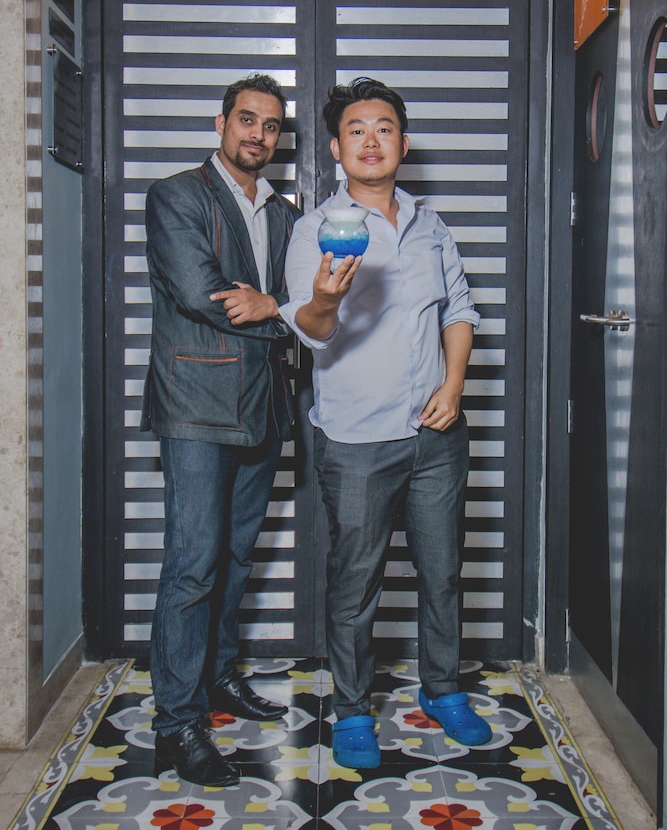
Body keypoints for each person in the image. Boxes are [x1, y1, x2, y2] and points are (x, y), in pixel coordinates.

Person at [279, 77, 492, 769]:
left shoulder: (430, 225)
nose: (371, 141)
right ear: (336, 149)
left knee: (442, 572)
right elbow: (311, 330)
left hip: (437, 433)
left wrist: (453, 386)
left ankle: (442, 688)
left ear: (402, 142)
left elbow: (458, 309)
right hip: (357, 438)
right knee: (355, 582)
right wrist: (323, 299)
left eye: (384, 128)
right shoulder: (314, 231)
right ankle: (350, 710)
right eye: (356, 130)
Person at [141, 74, 301, 787]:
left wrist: (282, 306)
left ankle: (218, 678)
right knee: (193, 564)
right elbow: (203, 292)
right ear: (221, 123)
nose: (257, 135)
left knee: (235, 558)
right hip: (197, 407)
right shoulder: (176, 196)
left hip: (263, 406)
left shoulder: (285, 214)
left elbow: (306, 298)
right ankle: (176, 725)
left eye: (270, 126)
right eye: (246, 120)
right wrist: (282, 311)